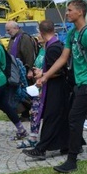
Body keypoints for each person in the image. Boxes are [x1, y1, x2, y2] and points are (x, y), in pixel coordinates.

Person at [37, 0, 87, 172]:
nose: (66, 13)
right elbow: (63, 58)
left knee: (74, 119)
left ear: (80, 12)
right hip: (80, 82)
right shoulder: (73, 33)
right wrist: (45, 76)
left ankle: (71, 160)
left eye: (69, 10)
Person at [22, 20, 70, 160]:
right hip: (57, 86)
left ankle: (41, 149)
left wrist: (42, 74)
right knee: (61, 117)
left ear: (41, 32)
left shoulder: (53, 48)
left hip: (56, 87)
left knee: (51, 117)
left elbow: (59, 71)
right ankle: (68, 144)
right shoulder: (55, 45)